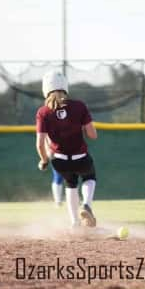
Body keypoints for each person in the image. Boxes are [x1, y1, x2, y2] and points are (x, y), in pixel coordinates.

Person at [35, 71, 98, 228]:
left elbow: (40, 144)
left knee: (70, 184)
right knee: (89, 177)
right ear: (65, 87)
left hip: (59, 161)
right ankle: (87, 205)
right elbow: (92, 135)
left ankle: (75, 223)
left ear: (45, 89)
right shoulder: (79, 106)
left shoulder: (43, 112)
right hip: (80, 157)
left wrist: (43, 160)